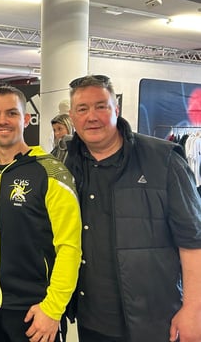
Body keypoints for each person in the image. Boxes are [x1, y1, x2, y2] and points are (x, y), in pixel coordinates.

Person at [65, 75, 201, 342]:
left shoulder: (163, 160)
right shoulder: (67, 165)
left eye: (101, 106)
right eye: (82, 109)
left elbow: (193, 239)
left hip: (154, 319)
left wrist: (194, 308)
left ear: (116, 109)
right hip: (91, 320)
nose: (92, 116)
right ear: (72, 116)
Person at [0, 86, 82, 342]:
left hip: (35, 309)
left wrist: (53, 308)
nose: (2, 121)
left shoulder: (52, 172)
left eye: (12, 113)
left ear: (27, 119)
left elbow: (70, 247)